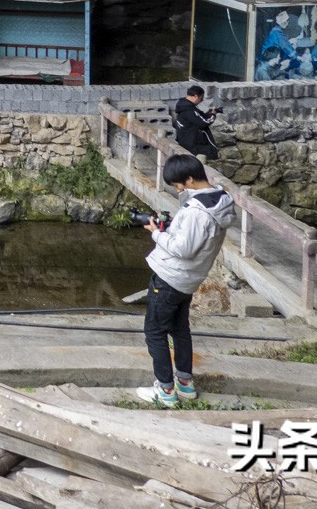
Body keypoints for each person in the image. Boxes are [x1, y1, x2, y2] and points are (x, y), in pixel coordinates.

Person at [136, 155, 237, 408]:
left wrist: (157, 234)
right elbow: (194, 240)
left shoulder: (196, 212)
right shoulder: (220, 200)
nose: (178, 189)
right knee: (180, 331)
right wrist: (172, 227)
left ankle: (165, 390)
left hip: (171, 277)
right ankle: (185, 383)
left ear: (190, 179)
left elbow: (183, 249)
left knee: (155, 332)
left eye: (179, 185)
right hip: (188, 280)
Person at [171, 85, 219, 159]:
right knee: (210, 155)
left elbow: (198, 117)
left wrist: (208, 114)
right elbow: (203, 123)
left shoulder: (183, 105)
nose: (202, 100)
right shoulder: (189, 110)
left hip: (184, 142)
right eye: (201, 98)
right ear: (196, 96)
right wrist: (213, 115)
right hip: (192, 146)